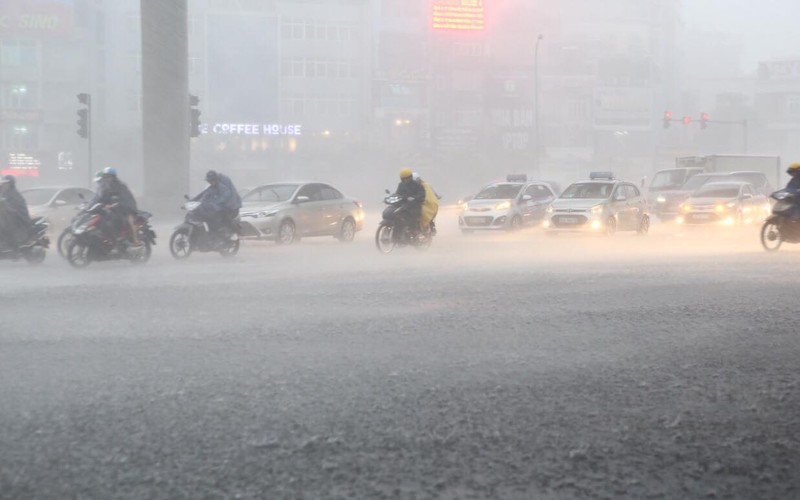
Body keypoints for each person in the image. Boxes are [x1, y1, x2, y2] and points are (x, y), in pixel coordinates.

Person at [92, 167, 142, 247]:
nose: (107, 179)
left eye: (109, 176)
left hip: (127, 208)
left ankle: (135, 240)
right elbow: (102, 197)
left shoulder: (121, 186)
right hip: (114, 209)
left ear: (113, 177)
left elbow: (126, 198)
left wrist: (117, 204)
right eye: (106, 177)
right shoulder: (105, 187)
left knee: (129, 221)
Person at [0, 175, 32, 249]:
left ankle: (12, 245)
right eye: (3, 183)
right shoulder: (4, 193)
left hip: (18, 218)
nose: (4, 185)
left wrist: (5, 206)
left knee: (3, 226)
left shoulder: (14, 194)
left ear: (11, 184)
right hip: (8, 216)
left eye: (6, 183)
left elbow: (13, 209)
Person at [396, 167, 425, 237]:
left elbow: (422, 194)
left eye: (407, 178)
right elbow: (398, 193)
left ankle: (414, 231)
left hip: (415, 205)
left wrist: (415, 198)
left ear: (410, 177)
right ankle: (397, 233)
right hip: (404, 204)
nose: (405, 180)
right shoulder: (401, 185)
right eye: (403, 179)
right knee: (396, 213)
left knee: (413, 216)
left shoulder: (417, 184)